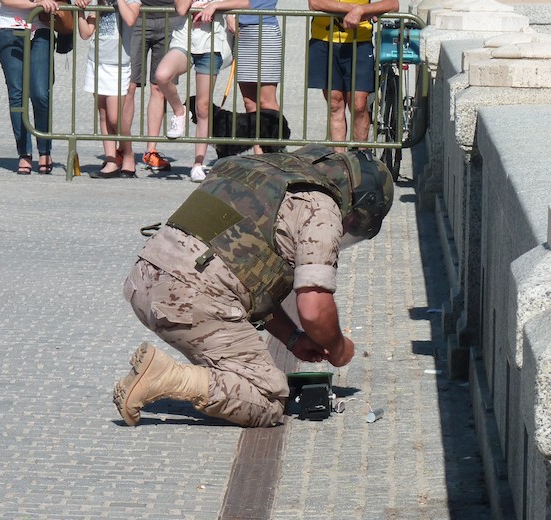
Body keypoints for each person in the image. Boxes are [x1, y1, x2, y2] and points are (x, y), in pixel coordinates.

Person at [114, 146, 394, 427]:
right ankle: (167, 377)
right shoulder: (321, 208)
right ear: (358, 206)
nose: (347, 228)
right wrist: (338, 347)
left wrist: (293, 339)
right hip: (189, 300)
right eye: (353, 224)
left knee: (240, 371)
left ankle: (191, 375)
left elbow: (252, 279)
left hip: (145, 280)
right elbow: (314, 309)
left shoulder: (263, 168)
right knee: (268, 400)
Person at [154, 0, 247, 183]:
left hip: (212, 43)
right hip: (184, 39)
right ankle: (180, 112)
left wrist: (215, 6)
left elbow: (246, 3)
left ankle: (198, 164)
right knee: (162, 75)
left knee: (203, 107)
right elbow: (181, 8)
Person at [306, 0, 398, 150]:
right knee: (335, 104)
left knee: (359, 105)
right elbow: (315, 3)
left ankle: (361, 156)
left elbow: (393, 4)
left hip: (359, 42)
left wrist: (361, 11)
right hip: (323, 40)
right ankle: (339, 158)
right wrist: (358, 10)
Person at [0, 0, 65, 175]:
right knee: (17, 93)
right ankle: (24, 152)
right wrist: (37, 4)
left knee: (41, 93)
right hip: (9, 29)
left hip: (42, 28)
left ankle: (45, 150)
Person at [78, 0, 141, 179]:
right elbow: (86, 33)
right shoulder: (100, 2)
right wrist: (80, 11)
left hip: (118, 64)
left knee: (115, 117)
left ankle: (128, 154)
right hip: (97, 60)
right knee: (104, 114)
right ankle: (111, 160)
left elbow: (131, 19)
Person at [122, 0, 185, 173]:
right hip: (138, 14)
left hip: (170, 16)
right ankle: (123, 148)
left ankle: (151, 150)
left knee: (159, 87)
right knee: (128, 86)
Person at [231, 0, 281, 154]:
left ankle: (274, 152)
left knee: (266, 101)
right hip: (241, 32)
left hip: (265, 29)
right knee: (249, 103)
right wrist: (228, 15)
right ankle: (259, 156)